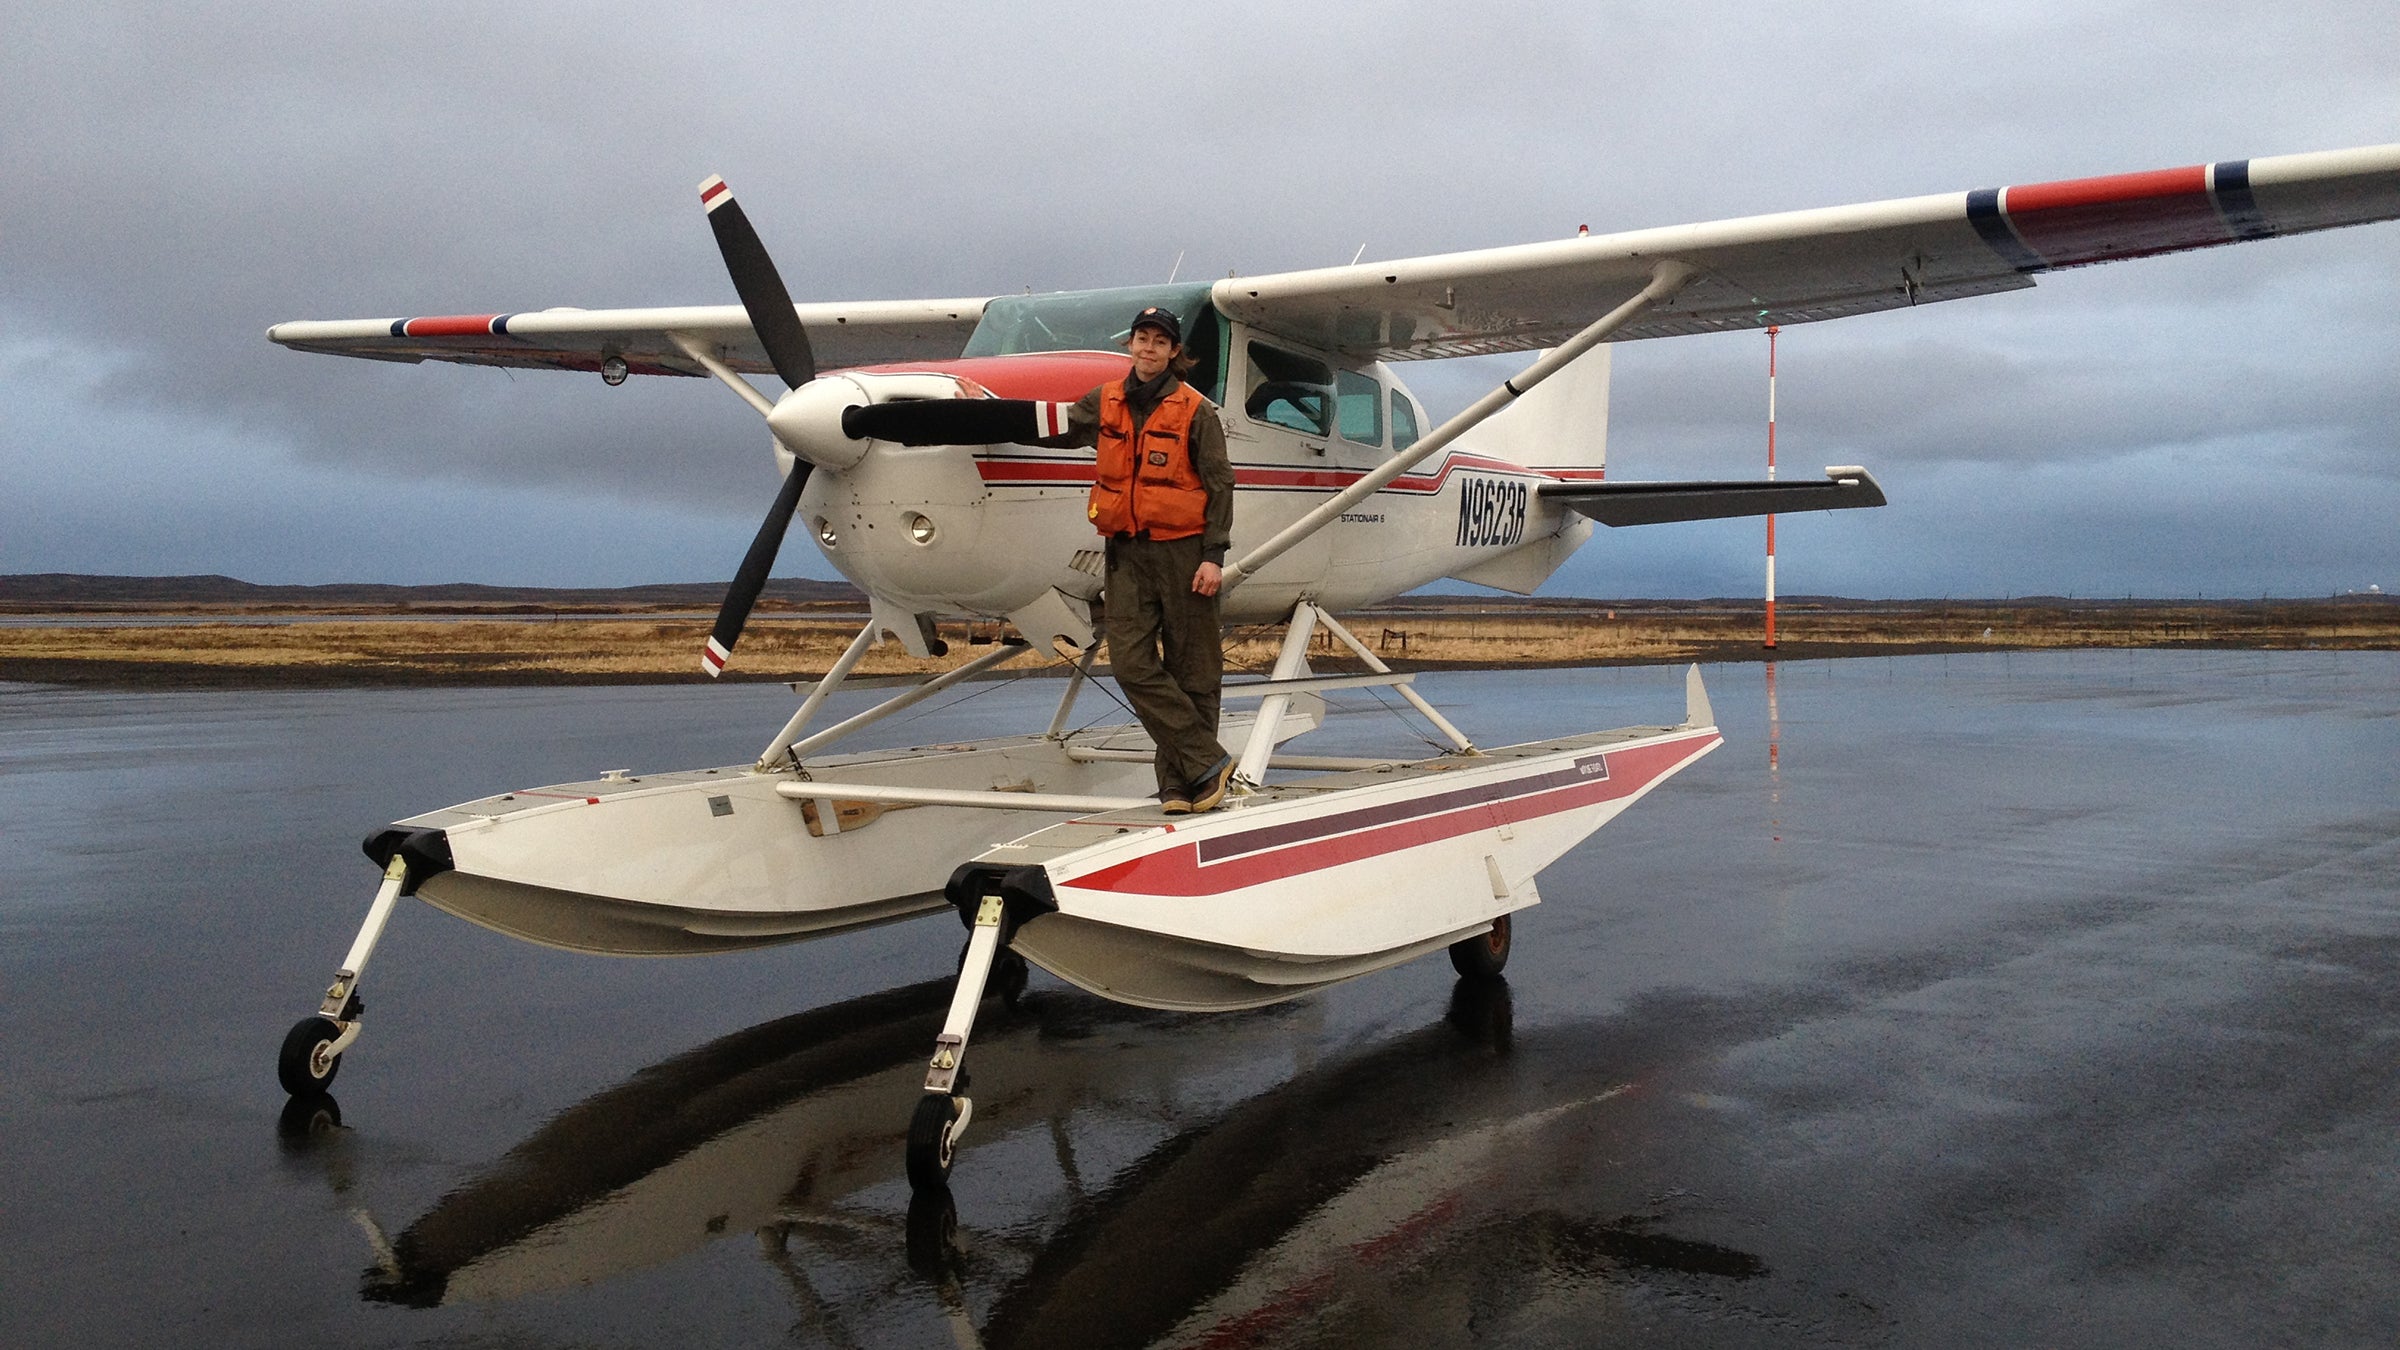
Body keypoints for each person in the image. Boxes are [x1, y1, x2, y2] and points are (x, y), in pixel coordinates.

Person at [1039, 306, 1236, 812]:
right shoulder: (1103, 402)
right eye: (1141, 338)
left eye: (1159, 341)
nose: (1148, 348)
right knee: (1131, 664)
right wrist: (988, 409)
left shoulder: (1197, 411)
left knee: (1194, 672)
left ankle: (1180, 785)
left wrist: (1213, 556)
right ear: (1130, 345)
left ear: (1174, 353)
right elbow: (1054, 427)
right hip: (1125, 554)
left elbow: (1220, 485)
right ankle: (1207, 761)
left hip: (1184, 552)